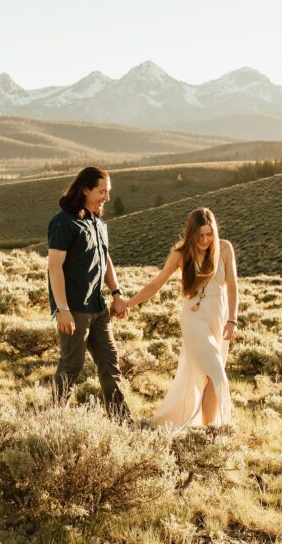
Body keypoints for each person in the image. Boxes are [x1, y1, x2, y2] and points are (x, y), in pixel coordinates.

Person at [126, 207, 237, 427]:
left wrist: (232, 319)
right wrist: (128, 303)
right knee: (218, 375)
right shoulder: (180, 254)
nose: (205, 240)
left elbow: (233, 286)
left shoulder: (224, 248)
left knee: (208, 379)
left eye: (209, 234)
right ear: (191, 234)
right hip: (194, 319)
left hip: (219, 317)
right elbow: (155, 284)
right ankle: (220, 430)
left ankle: (208, 433)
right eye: (200, 235)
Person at [47, 166, 131, 418]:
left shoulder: (98, 222)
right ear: (85, 189)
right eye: (101, 191)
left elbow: (105, 259)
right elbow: (54, 267)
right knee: (71, 366)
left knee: (110, 363)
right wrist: (62, 309)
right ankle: (51, 422)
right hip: (74, 309)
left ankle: (121, 422)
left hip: (98, 307)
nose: (106, 197)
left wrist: (116, 293)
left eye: (108, 192)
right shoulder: (63, 222)